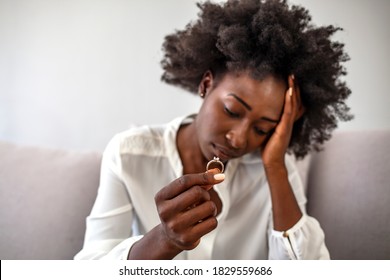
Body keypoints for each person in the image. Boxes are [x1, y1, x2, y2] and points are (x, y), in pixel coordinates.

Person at [75, 0, 352, 260]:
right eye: (232, 111)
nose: (239, 138)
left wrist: (276, 167)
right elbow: (90, 265)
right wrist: (165, 239)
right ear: (206, 84)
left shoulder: (274, 167)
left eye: (262, 128)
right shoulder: (129, 155)